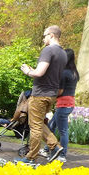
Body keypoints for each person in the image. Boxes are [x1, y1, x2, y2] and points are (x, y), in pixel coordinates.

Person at [20, 25, 67, 164]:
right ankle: (55, 146)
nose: (43, 38)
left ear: (51, 35)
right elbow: (51, 74)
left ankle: (31, 158)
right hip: (51, 94)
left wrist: (27, 71)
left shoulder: (48, 50)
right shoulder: (63, 53)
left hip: (40, 94)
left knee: (35, 126)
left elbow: (39, 73)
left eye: (45, 35)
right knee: (39, 123)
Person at [41, 48, 79, 163]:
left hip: (63, 104)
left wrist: (51, 95)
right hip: (69, 103)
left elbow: (60, 91)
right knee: (51, 126)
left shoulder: (64, 73)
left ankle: (62, 154)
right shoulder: (74, 73)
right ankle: (47, 149)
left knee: (63, 131)